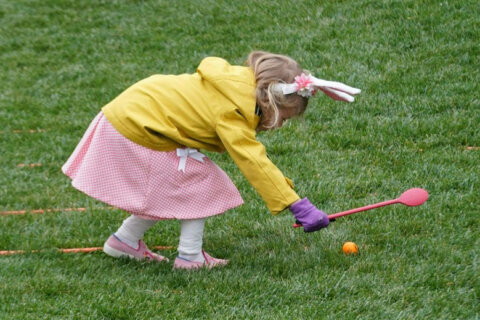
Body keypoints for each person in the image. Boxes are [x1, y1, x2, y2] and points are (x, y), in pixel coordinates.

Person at [62, 51, 360, 270]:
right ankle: (190, 257)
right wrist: (297, 204)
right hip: (134, 125)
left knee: (173, 184)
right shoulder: (233, 111)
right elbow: (254, 163)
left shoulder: (238, 85)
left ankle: (124, 241)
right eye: (283, 118)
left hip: (133, 117)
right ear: (270, 100)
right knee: (202, 181)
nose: (279, 125)